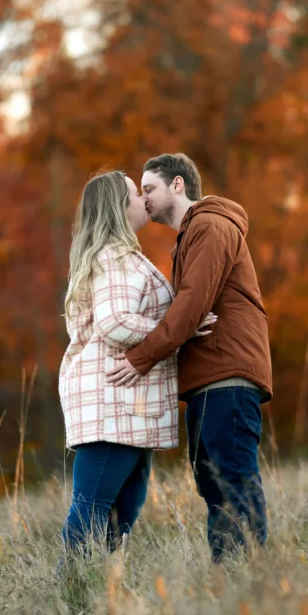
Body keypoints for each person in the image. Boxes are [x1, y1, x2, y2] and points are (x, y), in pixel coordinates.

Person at [108, 153, 273, 561]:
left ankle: (247, 577)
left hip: (227, 376)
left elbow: (191, 303)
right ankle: (228, 578)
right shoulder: (191, 236)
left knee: (233, 479)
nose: (144, 198)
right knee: (213, 483)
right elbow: (188, 308)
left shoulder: (210, 226)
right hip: (207, 379)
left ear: (177, 185)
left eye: (150, 189)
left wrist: (139, 358)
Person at [58, 170, 217, 555]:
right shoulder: (115, 258)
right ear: (118, 206)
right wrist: (178, 329)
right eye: (134, 194)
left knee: (119, 514)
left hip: (127, 407)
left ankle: (100, 596)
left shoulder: (122, 257)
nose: (143, 200)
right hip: (114, 401)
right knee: (94, 510)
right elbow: (115, 322)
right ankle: (66, 596)